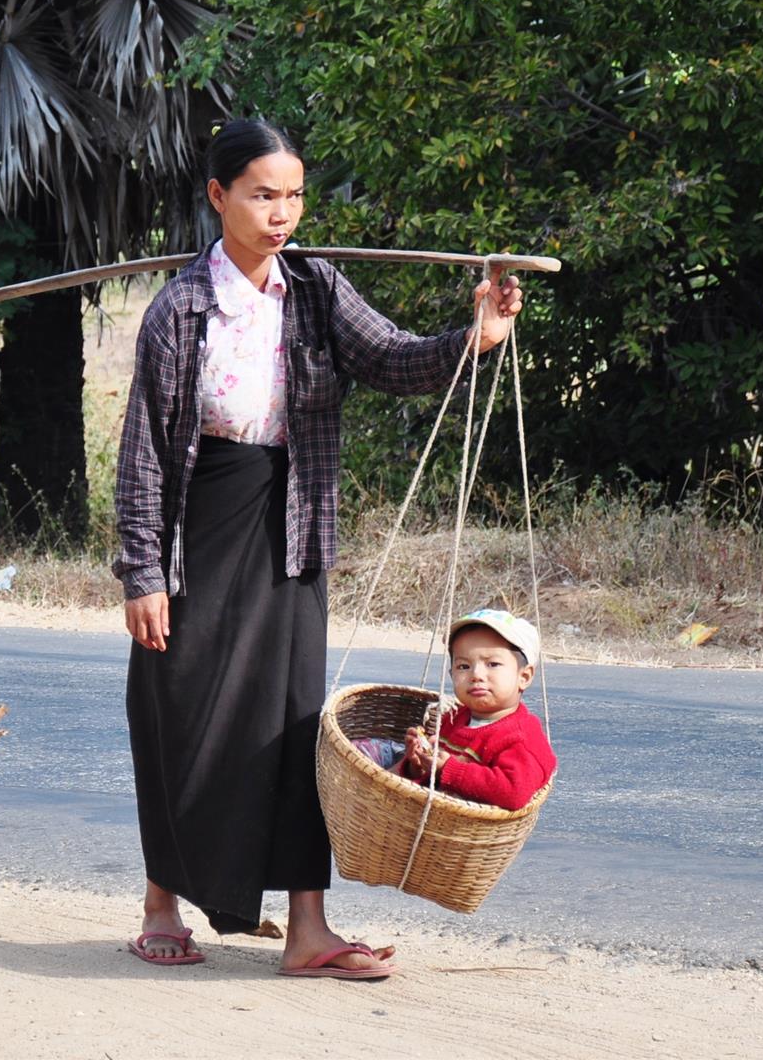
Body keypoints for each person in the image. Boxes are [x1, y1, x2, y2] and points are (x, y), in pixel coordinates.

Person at [113, 118, 525, 977]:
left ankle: (308, 928)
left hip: (291, 526)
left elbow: (396, 359)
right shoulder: (180, 309)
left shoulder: (315, 288)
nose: (282, 214)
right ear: (219, 196)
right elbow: (144, 450)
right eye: (262, 195)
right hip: (199, 527)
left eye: (294, 196)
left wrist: (477, 335)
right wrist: (142, 571)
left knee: (294, 721)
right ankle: (161, 903)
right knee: (177, 712)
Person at [353, 608, 556, 812]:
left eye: (493, 664)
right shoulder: (453, 718)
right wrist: (416, 764)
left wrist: (449, 769)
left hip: (466, 825)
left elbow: (514, 793)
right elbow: (431, 775)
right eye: (463, 666)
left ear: (524, 677)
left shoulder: (522, 737)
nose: (476, 675)